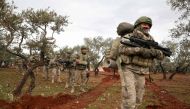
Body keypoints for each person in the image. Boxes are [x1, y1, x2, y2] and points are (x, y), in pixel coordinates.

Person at [108, 16, 165, 109]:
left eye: (148, 25)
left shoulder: (151, 40)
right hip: (128, 69)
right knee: (129, 99)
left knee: (138, 99)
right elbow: (122, 49)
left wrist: (156, 53)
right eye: (144, 24)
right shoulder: (130, 36)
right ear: (138, 25)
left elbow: (161, 56)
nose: (146, 26)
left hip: (142, 71)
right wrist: (139, 50)